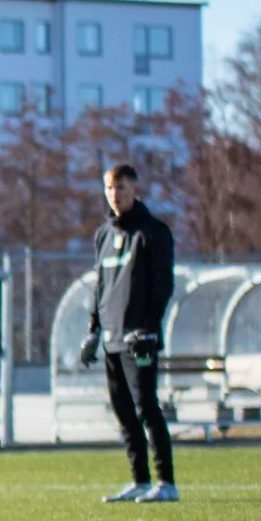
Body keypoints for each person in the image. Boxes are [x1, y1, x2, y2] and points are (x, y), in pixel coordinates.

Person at [80, 162, 177, 503]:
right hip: (111, 340)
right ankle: (139, 480)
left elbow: (162, 284)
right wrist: (93, 330)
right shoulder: (103, 236)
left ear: (134, 189)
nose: (114, 194)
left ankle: (167, 483)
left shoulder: (153, 232)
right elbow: (100, 287)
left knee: (146, 407)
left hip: (139, 339)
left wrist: (149, 328)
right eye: (109, 188)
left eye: (120, 187)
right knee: (123, 412)